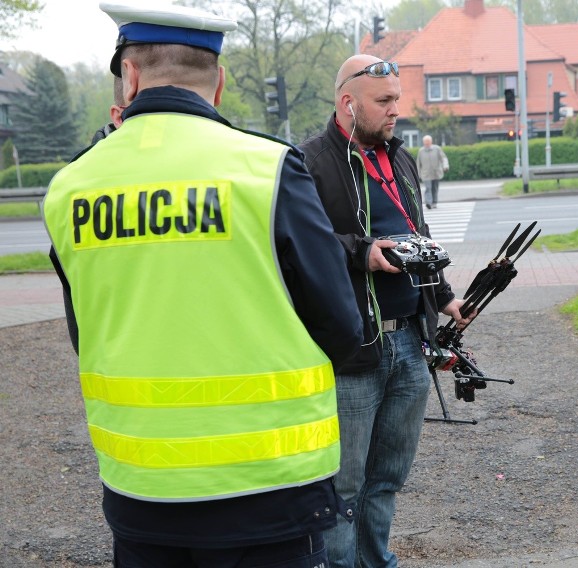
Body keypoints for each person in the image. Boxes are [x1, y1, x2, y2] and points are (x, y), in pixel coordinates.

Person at [41, 2, 363, 566]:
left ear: (131, 76)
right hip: (270, 486)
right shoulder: (266, 169)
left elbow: (83, 330)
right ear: (219, 85)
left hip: (140, 487)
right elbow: (341, 325)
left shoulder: (71, 187)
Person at [300, 55, 473, 568]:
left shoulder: (401, 159)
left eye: (397, 98)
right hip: (353, 346)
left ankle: (376, 562)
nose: (396, 110)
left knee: (388, 479)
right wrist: (363, 251)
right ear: (347, 103)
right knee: (345, 485)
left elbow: (415, 237)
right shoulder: (308, 162)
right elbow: (299, 248)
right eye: (384, 101)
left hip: (410, 344)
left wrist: (443, 298)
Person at [415, 134, 449, 209]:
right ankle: (428, 203)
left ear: (431, 141)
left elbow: (443, 158)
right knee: (428, 188)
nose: (427, 143)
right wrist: (417, 174)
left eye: (428, 141)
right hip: (426, 174)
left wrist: (445, 166)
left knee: (435, 188)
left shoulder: (437, 149)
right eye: (425, 142)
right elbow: (418, 163)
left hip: (436, 173)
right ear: (423, 142)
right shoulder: (421, 151)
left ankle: (434, 202)